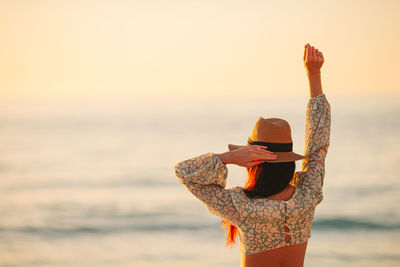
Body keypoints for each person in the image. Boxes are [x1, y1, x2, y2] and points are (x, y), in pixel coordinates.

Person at [174, 43, 331, 267]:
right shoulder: (307, 196)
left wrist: (228, 158)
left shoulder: (242, 207)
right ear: (288, 161)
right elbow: (318, 145)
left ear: (252, 162)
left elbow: (184, 172)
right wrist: (314, 75)